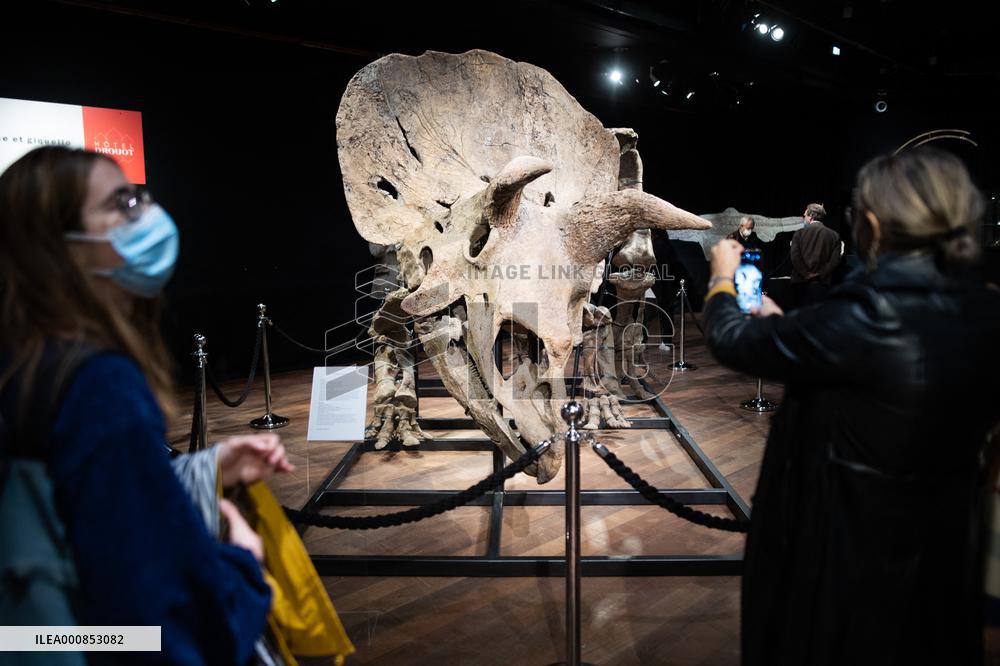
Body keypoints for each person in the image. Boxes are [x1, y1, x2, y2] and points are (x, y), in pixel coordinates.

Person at [702, 147, 1000, 665]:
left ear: (875, 222)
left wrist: (724, 276)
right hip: (943, 541)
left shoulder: (869, 313)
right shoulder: (984, 307)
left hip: (848, 548)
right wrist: (787, 326)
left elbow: (732, 341)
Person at [0, 146, 294, 665]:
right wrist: (243, 568)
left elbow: (82, 517)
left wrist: (204, 470)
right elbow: (146, 623)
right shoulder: (97, 385)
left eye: (140, 196)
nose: (147, 214)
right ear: (62, 247)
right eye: (122, 204)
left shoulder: (28, 362)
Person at [789, 202, 842, 307]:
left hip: (800, 283)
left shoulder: (799, 233)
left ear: (810, 216)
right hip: (823, 283)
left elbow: (795, 257)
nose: (804, 217)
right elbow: (835, 260)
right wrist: (820, 274)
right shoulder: (834, 235)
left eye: (805, 215)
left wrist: (806, 274)